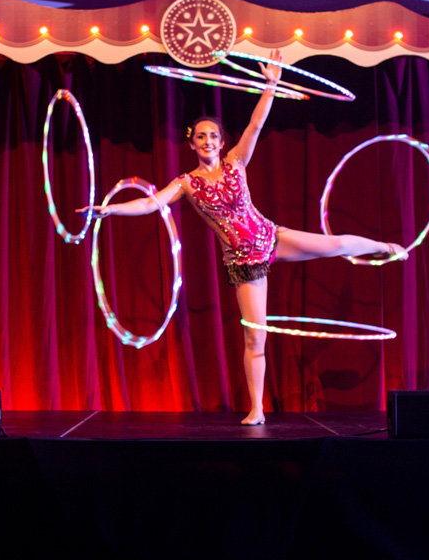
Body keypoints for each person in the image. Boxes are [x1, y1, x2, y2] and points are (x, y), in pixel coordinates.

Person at [78, 49, 407, 425]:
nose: (208, 141)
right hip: (243, 264)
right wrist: (111, 209)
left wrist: (270, 86)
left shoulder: (236, 162)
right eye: (200, 136)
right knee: (256, 337)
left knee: (335, 245)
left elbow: (254, 126)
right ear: (191, 143)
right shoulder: (186, 183)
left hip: (270, 237)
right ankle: (257, 408)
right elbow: (152, 204)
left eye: (213, 136)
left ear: (221, 141)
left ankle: (385, 247)